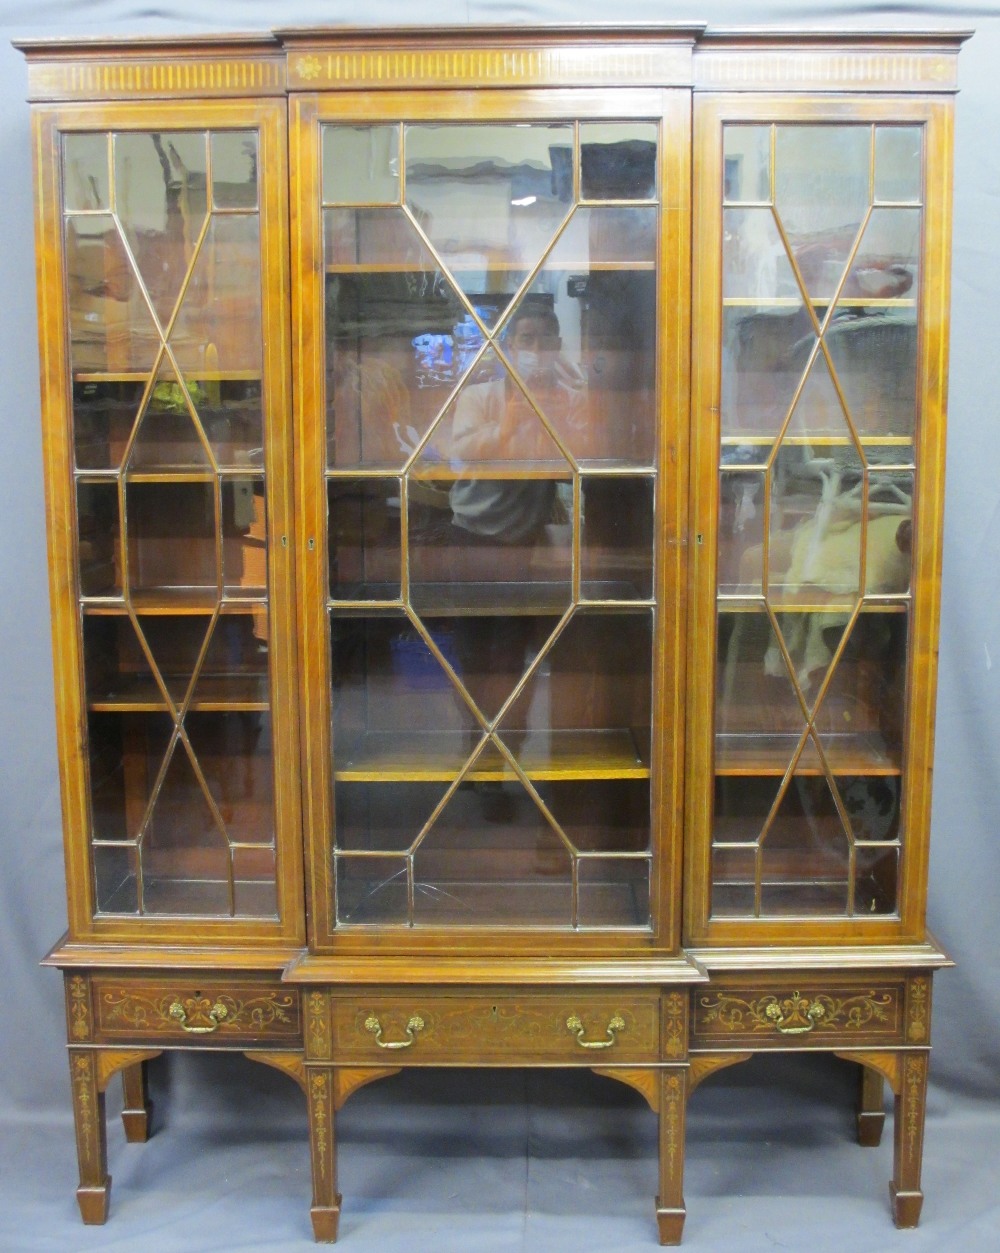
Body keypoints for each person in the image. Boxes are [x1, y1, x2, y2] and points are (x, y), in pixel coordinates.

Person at [446, 307, 586, 544]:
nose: (537, 350)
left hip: (533, 531)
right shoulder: (477, 396)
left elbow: (583, 467)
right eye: (526, 339)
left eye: (546, 339)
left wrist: (558, 425)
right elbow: (460, 456)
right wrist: (504, 428)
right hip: (471, 530)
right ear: (510, 346)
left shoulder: (572, 400)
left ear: (558, 345)